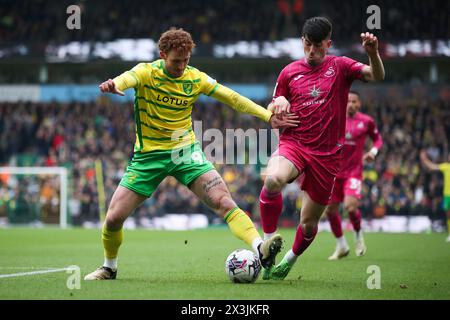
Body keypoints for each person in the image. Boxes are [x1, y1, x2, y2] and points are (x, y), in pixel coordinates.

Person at [84, 28, 299, 280]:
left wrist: (268, 116)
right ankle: (109, 267)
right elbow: (126, 79)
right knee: (113, 219)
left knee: (223, 202)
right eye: (176, 61)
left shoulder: (195, 78)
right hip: (148, 157)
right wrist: (114, 84)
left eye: (186, 60)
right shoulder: (146, 72)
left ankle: (259, 248)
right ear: (162, 54)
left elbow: (232, 97)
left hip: (185, 153)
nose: (181, 66)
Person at [258, 16, 385, 280]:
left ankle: (289, 260)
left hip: (327, 157)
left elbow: (376, 75)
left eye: (318, 45)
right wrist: (276, 107)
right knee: (272, 180)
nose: (312, 52)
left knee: (308, 223)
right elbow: (272, 109)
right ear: (302, 42)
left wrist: (373, 53)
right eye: (308, 45)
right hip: (295, 143)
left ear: (329, 44)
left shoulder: (340, 67)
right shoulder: (288, 72)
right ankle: (267, 248)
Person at [324, 91, 383, 260]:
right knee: (330, 210)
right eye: (348, 100)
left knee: (350, 207)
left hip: (353, 172)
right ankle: (341, 245)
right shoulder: (335, 118)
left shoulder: (366, 121)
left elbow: (378, 140)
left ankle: (358, 236)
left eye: (354, 101)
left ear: (359, 104)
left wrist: (372, 151)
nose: (350, 104)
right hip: (334, 172)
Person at [420, 150, 450, 242]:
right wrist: (425, 159)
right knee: (448, 215)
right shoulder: (446, 166)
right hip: (447, 195)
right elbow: (433, 167)